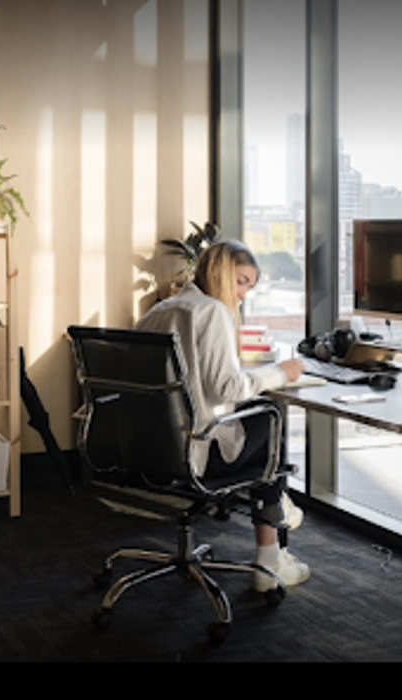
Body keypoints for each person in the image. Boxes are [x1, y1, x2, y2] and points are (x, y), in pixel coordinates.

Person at [136, 239, 310, 592]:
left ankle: (277, 510)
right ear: (219, 272)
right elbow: (228, 387)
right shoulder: (213, 311)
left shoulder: (160, 310)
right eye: (241, 281)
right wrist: (281, 373)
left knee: (258, 421)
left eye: (249, 287)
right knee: (271, 414)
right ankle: (270, 555)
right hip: (195, 453)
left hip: (151, 449)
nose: (243, 295)